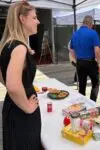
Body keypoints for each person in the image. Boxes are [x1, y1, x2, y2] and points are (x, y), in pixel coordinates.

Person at [0, 2, 42, 149]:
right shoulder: (19, 48)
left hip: (12, 107)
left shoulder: (7, 44)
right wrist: (27, 106)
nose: (38, 21)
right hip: (22, 113)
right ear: (22, 19)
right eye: (34, 17)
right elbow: (12, 85)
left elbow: (2, 76)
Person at [70, 15, 100, 102]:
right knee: (95, 84)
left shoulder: (75, 34)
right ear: (91, 24)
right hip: (90, 62)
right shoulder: (93, 33)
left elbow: (71, 51)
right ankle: (92, 103)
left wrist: (77, 60)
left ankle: (81, 104)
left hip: (79, 62)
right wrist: (99, 63)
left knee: (82, 86)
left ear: (83, 23)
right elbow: (97, 50)